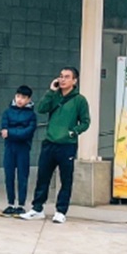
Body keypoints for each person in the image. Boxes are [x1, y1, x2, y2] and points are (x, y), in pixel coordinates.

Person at [21, 66, 91, 223]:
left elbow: (86, 122)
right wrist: (51, 91)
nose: (62, 79)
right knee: (43, 177)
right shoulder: (55, 96)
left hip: (67, 145)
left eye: (67, 77)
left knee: (66, 179)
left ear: (74, 80)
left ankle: (61, 211)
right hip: (49, 143)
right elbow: (41, 108)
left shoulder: (79, 100)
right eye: (61, 76)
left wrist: (73, 132)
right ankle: (37, 208)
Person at [0, 84, 36, 216]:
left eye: (24, 97)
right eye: (18, 96)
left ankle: (21, 204)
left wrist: (11, 132)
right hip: (9, 148)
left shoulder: (32, 115)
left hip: (23, 148)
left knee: (22, 176)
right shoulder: (7, 112)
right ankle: (10, 203)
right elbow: (4, 130)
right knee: (9, 176)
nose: (20, 99)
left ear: (29, 99)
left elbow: (27, 133)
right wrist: (15, 132)